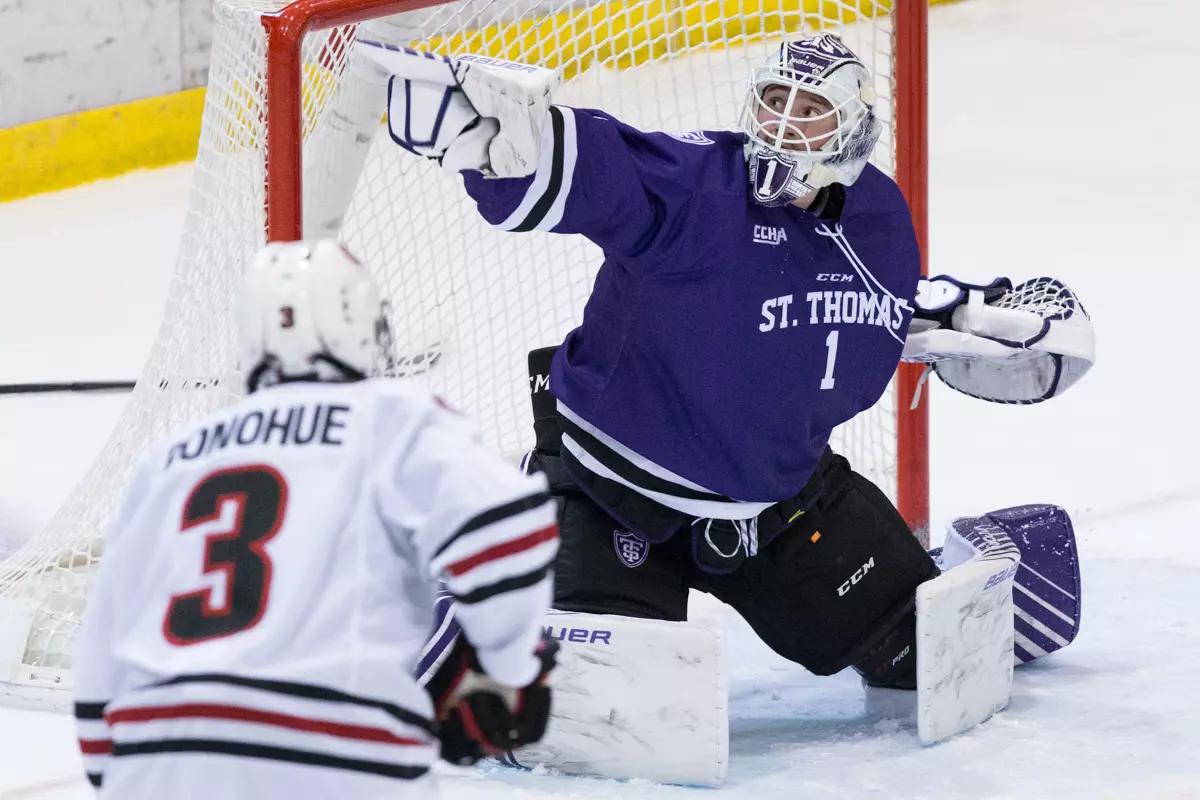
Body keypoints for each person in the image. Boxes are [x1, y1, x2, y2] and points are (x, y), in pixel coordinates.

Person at [362, 31, 1085, 703]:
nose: (783, 124)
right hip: (612, 493)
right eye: (773, 100)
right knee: (591, 701)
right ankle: (473, 597)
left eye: (810, 110)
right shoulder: (698, 185)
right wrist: (509, 146)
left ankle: (980, 554)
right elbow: (606, 170)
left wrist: (947, 319)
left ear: (853, 129)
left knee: (923, 651)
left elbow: (845, 300)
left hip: (778, 507)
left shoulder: (878, 217)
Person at [72, 240, 561, 799]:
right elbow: (508, 525)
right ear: (361, 328)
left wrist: (123, 773)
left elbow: (101, 644)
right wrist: (509, 668)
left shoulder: (168, 459)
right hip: (332, 758)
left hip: (156, 758)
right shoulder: (392, 419)